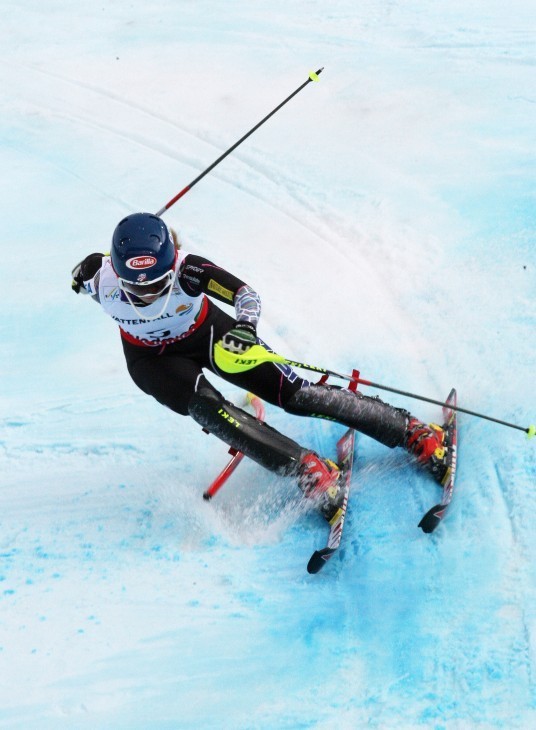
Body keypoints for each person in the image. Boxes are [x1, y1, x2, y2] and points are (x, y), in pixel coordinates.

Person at [72, 212, 447, 519]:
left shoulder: (190, 272)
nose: (148, 293)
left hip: (208, 333)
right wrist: (80, 276)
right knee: (209, 411)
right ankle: (308, 469)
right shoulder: (98, 278)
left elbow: (244, 295)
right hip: (152, 360)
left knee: (294, 395)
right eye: (136, 289)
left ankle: (410, 429)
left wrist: (246, 328)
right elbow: (84, 275)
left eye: (158, 284)